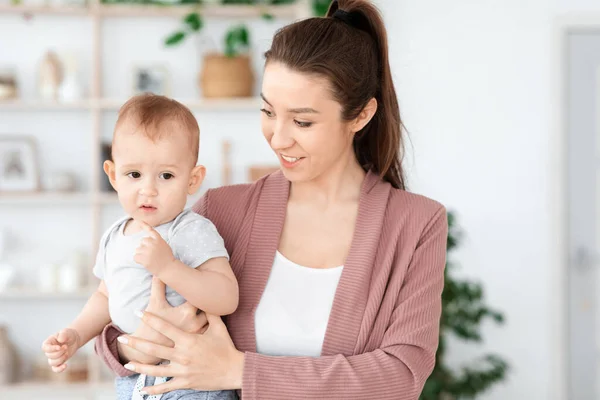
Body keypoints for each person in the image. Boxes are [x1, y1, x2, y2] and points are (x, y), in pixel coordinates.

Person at [96, 0, 448, 399]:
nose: (278, 138)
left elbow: (400, 376)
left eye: (302, 121)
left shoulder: (417, 223)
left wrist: (241, 371)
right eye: (267, 111)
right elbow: (121, 313)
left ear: (361, 116)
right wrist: (132, 342)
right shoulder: (221, 210)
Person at [41, 94, 239, 400]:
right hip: (134, 378)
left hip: (190, 377)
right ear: (113, 175)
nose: (148, 189)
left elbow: (226, 297)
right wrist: (77, 334)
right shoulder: (114, 236)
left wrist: (169, 268)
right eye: (134, 174)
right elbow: (104, 296)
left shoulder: (190, 229)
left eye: (166, 175)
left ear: (193, 179)